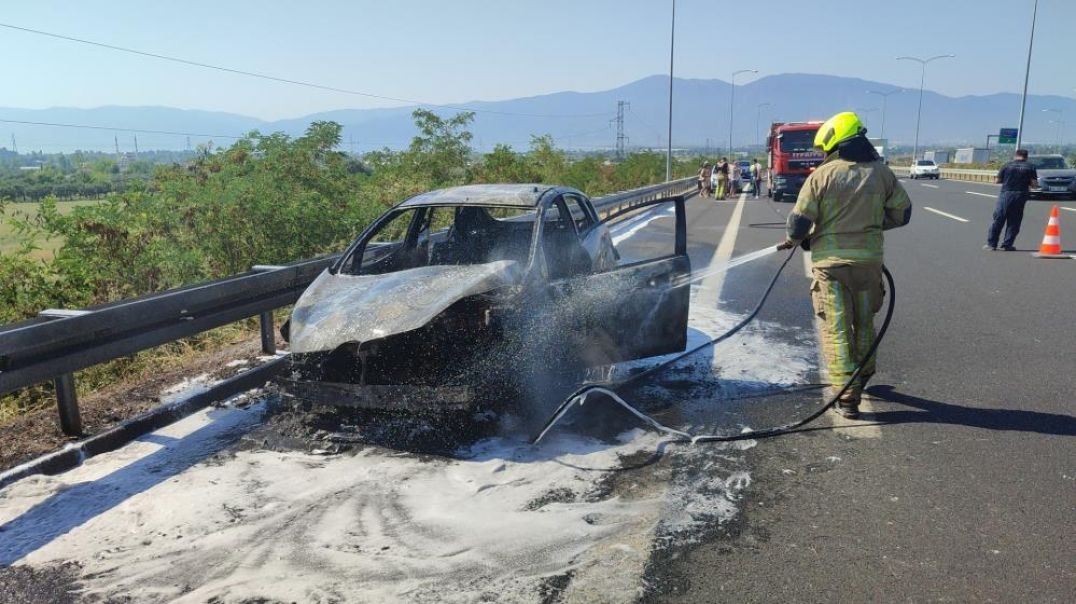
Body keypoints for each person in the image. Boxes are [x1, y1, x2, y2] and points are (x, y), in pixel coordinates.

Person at [777, 112, 912, 418]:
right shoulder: (882, 173)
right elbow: (902, 214)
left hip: (832, 267)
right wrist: (870, 229)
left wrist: (804, 238)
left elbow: (799, 225)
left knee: (837, 329)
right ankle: (862, 378)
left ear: (834, 144)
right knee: (864, 323)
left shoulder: (822, 176)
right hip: (868, 264)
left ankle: (848, 397)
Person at [985, 149, 1038, 251]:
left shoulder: (1007, 165)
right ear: (1026, 157)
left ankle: (991, 244)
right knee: (1014, 221)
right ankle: (1007, 245)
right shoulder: (1031, 166)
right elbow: (1034, 185)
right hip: (1021, 195)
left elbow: (997, 181)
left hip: (1006, 194)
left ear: (1016, 156)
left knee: (999, 219)